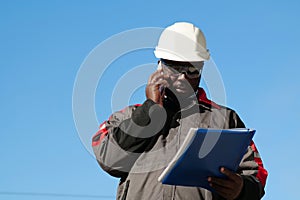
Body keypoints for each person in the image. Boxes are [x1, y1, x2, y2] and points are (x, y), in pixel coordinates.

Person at [92, 22, 268, 200]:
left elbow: (257, 174)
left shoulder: (225, 120)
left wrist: (242, 189)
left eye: (192, 69)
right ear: (159, 66)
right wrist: (149, 112)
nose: (183, 77)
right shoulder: (128, 117)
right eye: (176, 68)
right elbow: (109, 160)